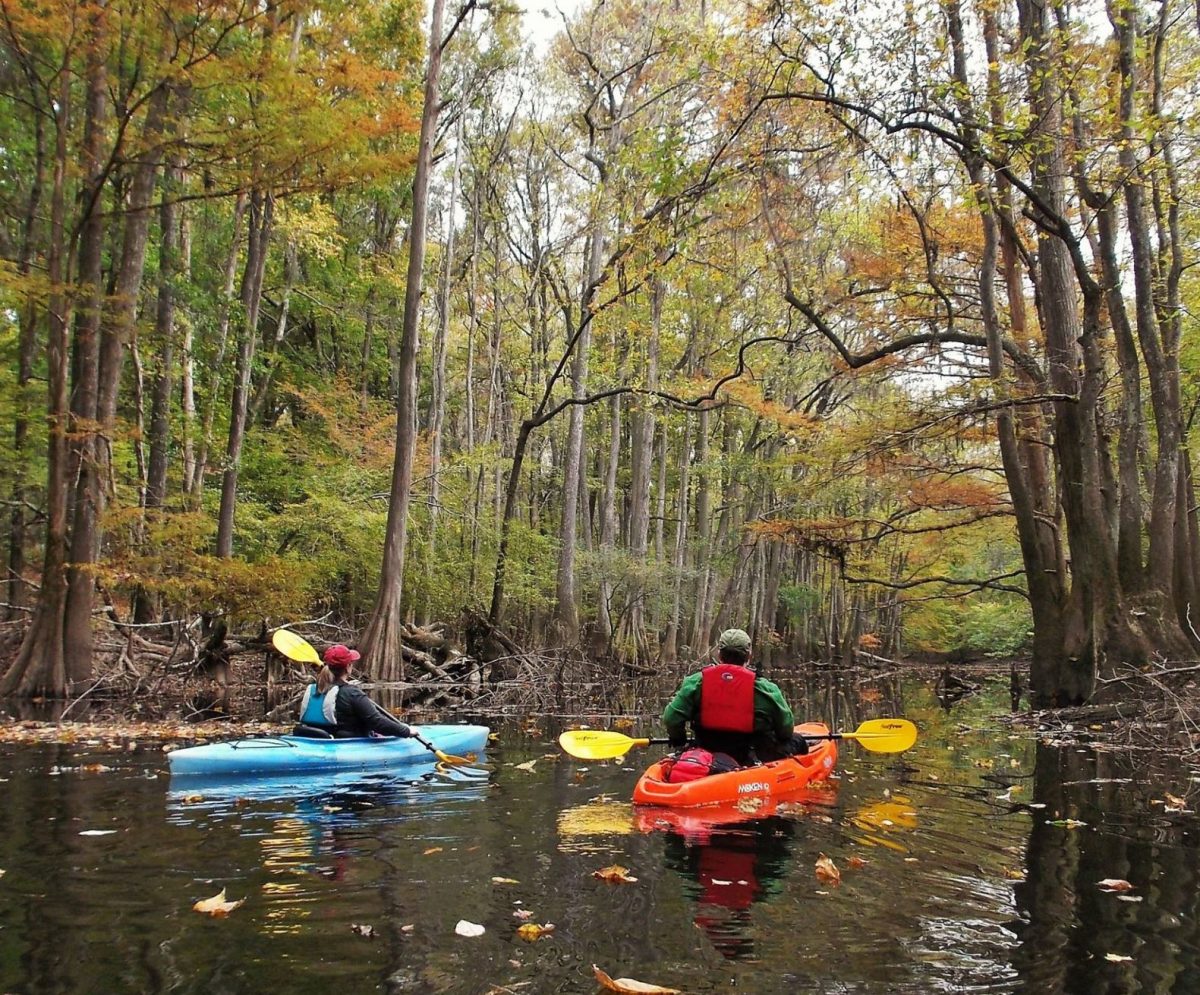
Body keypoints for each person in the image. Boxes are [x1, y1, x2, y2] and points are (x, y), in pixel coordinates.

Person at [662, 628, 807, 766]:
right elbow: (786, 729)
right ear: (749, 656)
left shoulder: (695, 683)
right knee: (798, 741)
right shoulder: (765, 689)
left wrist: (679, 740)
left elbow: (671, 718)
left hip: (706, 751)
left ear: (719, 655)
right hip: (752, 755)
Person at [296, 644, 415, 739]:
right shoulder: (352, 693)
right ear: (348, 667)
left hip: (311, 737)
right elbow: (377, 723)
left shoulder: (315, 688)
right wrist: (406, 731)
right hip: (344, 745)